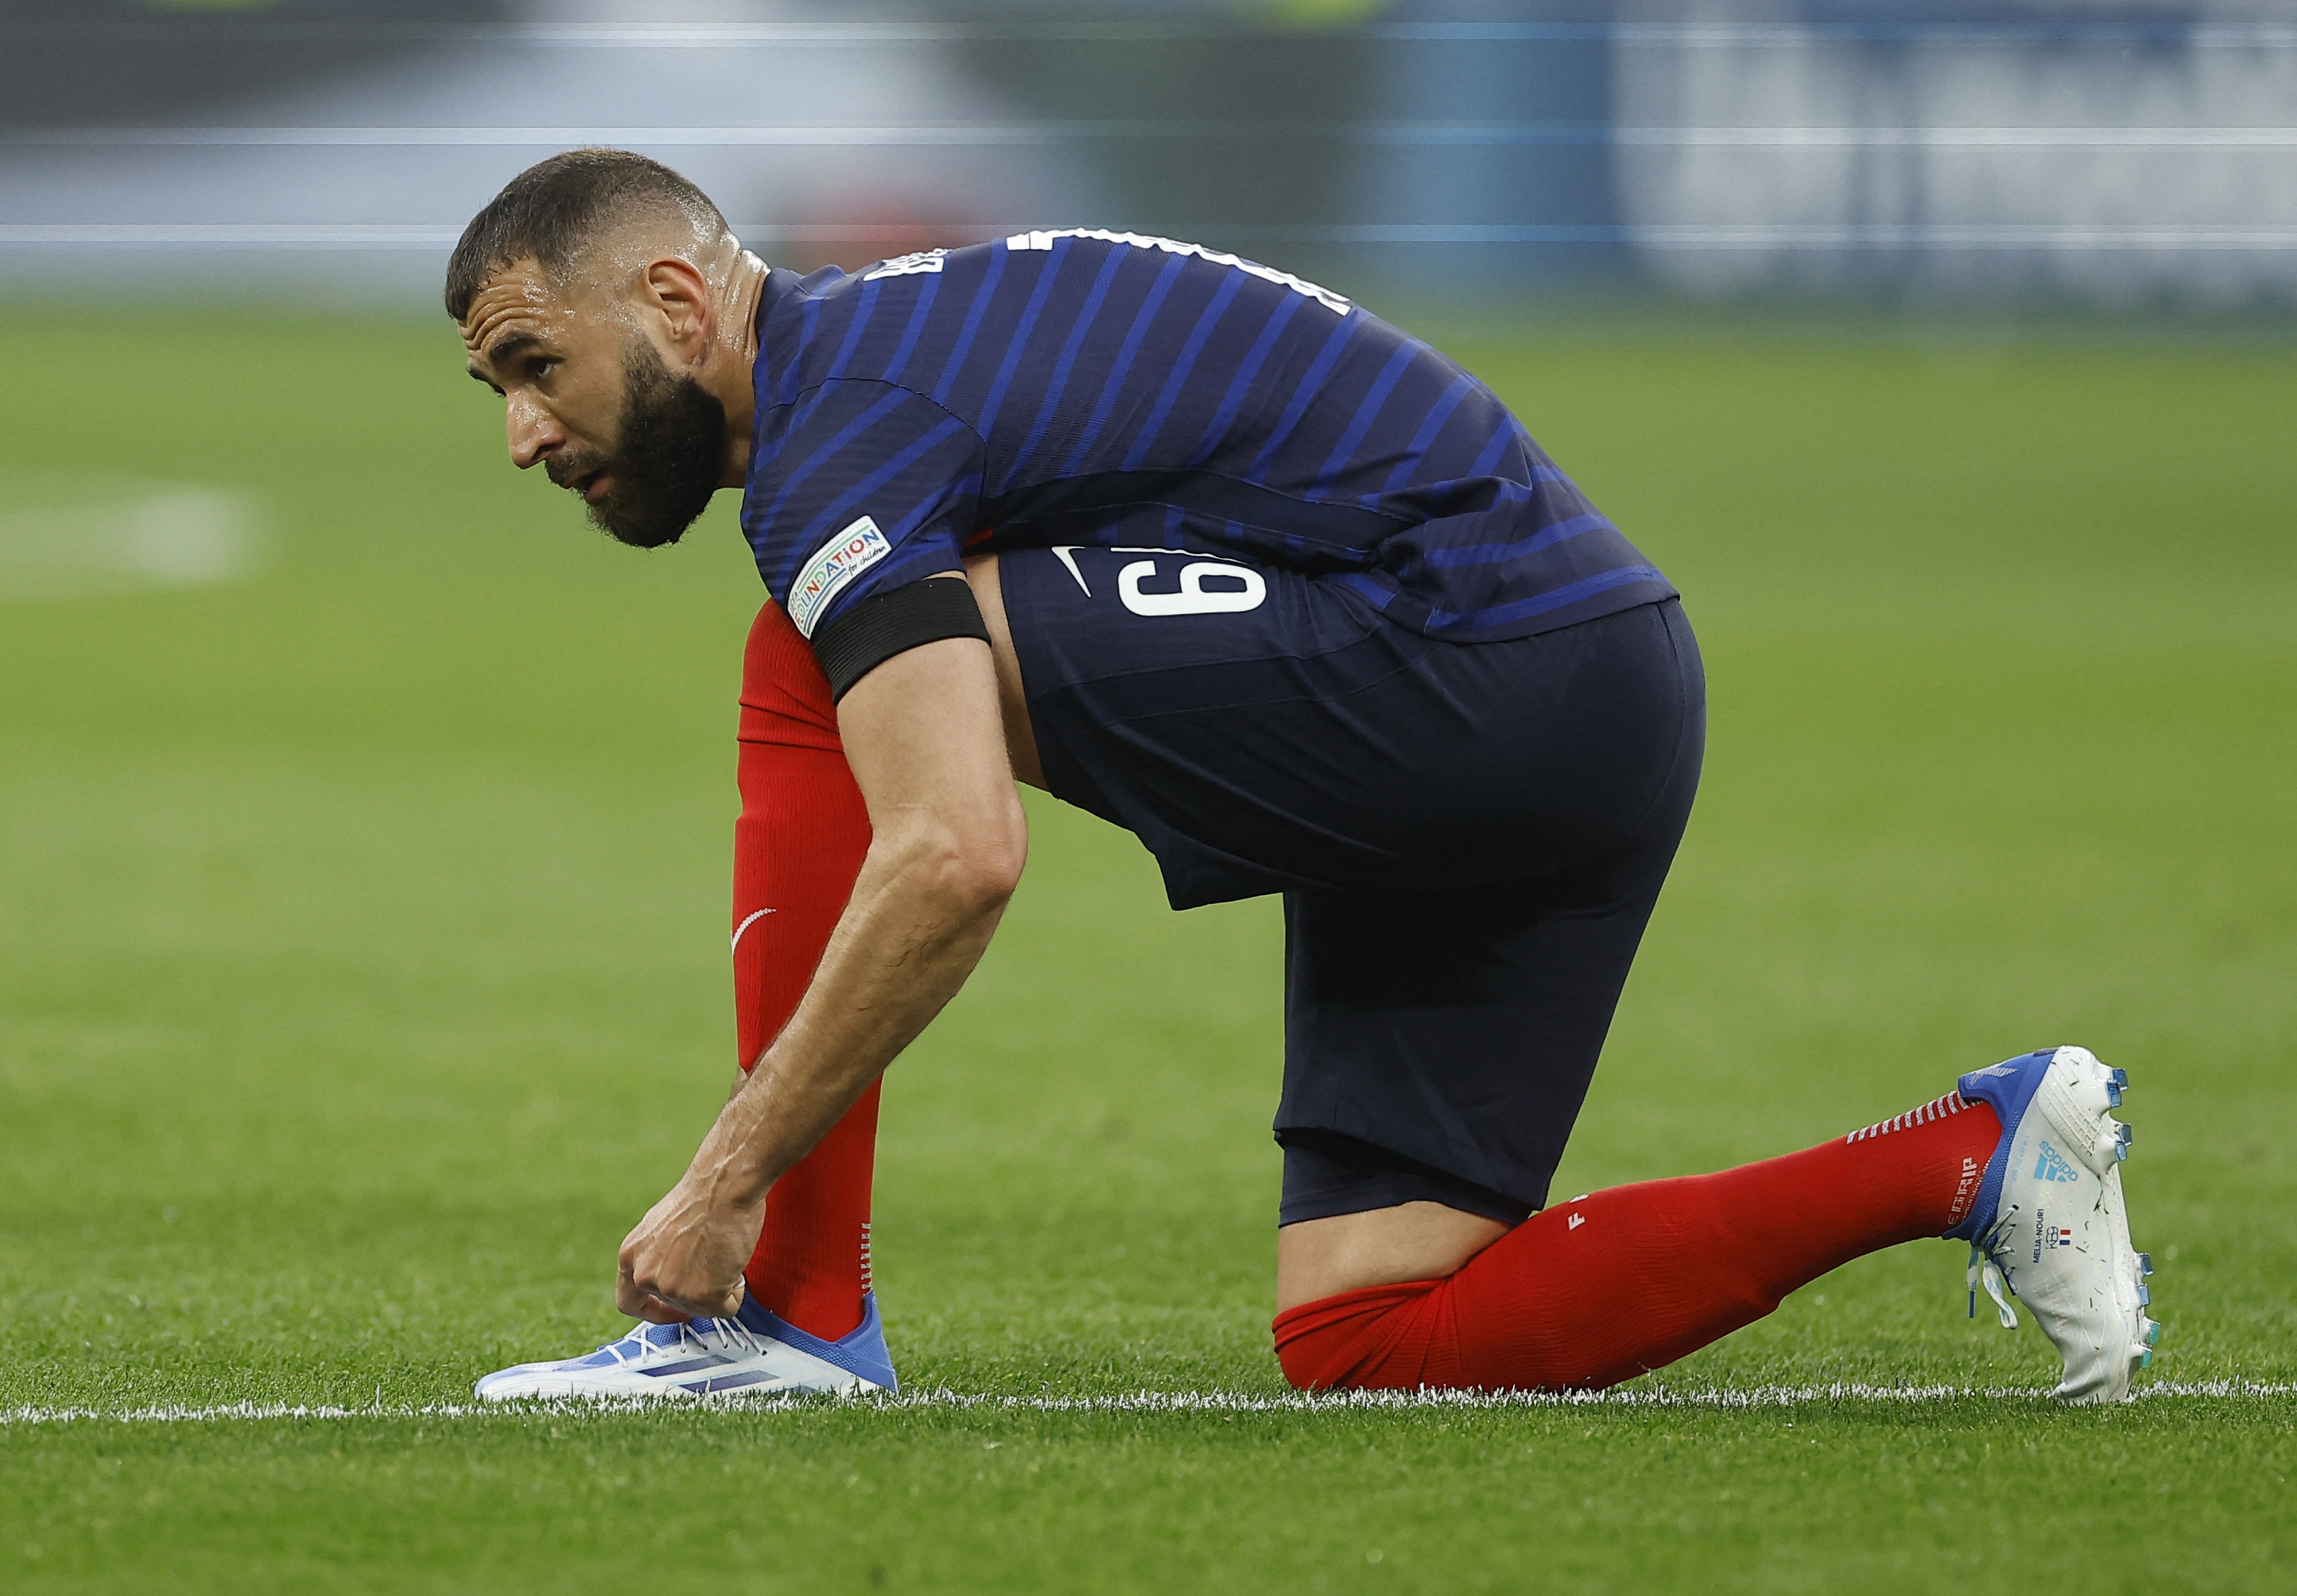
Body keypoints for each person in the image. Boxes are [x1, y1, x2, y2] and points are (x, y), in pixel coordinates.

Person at [451, 150, 2157, 1405]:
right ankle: (1974, 1152)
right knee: (1369, 1339)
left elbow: (954, 851)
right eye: (496, 388)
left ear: (678, 302)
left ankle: (792, 1315)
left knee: (808, 666)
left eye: (538, 366)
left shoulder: (840, 429)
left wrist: (727, 1174)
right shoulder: (900, 356)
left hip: (1475, 663)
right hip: (1588, 689)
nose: (523, 430)